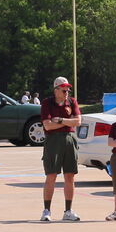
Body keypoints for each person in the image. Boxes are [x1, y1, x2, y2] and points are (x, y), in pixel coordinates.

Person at [39, 77, 81, 222]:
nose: (67, 92)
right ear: (56, 90)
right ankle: (46, 210)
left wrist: (61, 120)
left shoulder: (72, 101)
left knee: (70, 176)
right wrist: (68, 122)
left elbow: (78, 121)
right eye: (64, 90)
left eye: (68, 89)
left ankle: (68, 211)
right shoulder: (47, 103)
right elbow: (48, 126)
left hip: (70, 139)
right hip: (53, 141)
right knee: (51, 175)